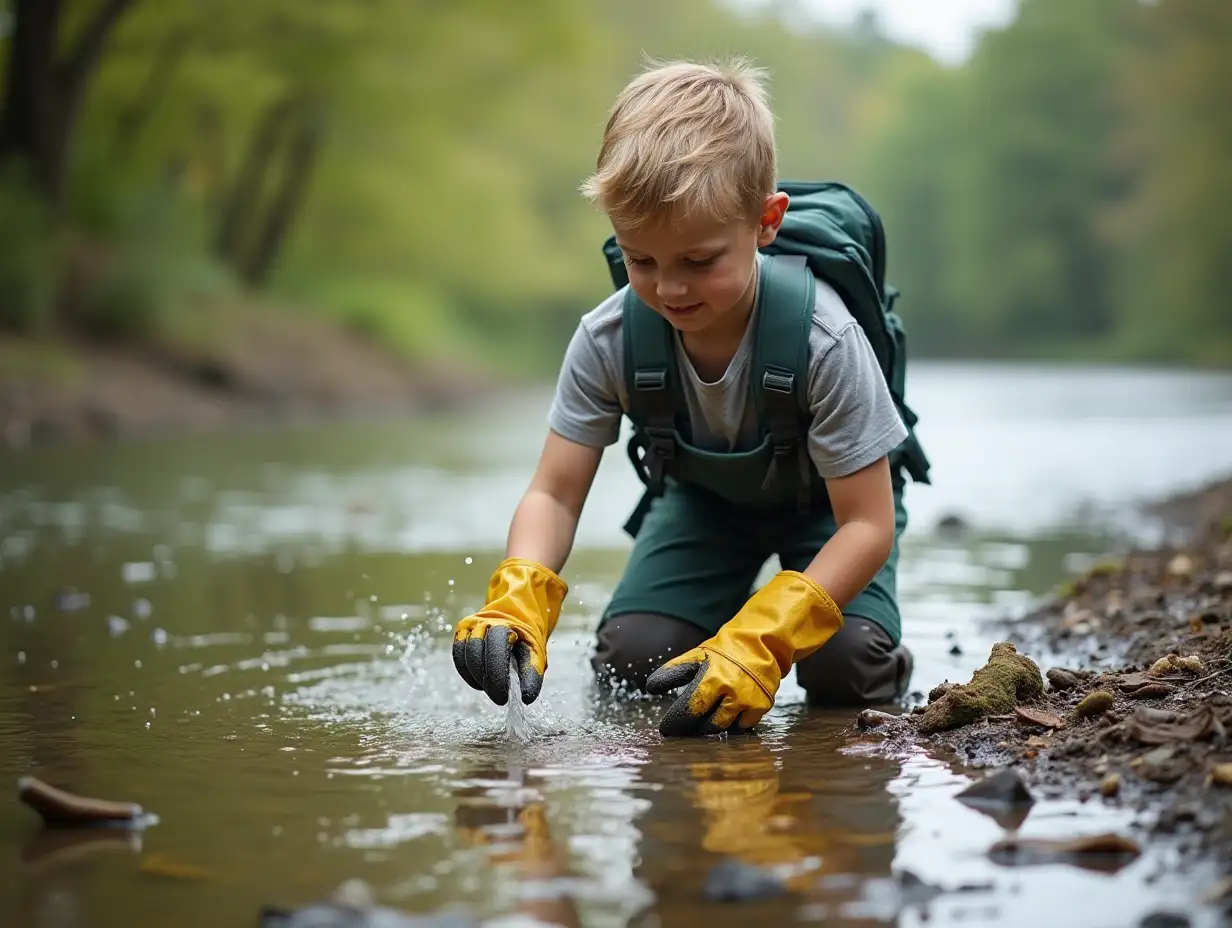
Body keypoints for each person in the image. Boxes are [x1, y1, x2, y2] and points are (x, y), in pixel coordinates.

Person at [451, 58, 930, 737]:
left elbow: (868, 526)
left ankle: (883, 669)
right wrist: (517, 599)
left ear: (765, 223)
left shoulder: (826, 339)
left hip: (833, 512)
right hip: (705, 508)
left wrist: (758, 642)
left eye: (699, 262)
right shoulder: (609, 338)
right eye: (639, 259)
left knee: (843, 669)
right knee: (632, 664)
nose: (669, 288)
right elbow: (555, 493)